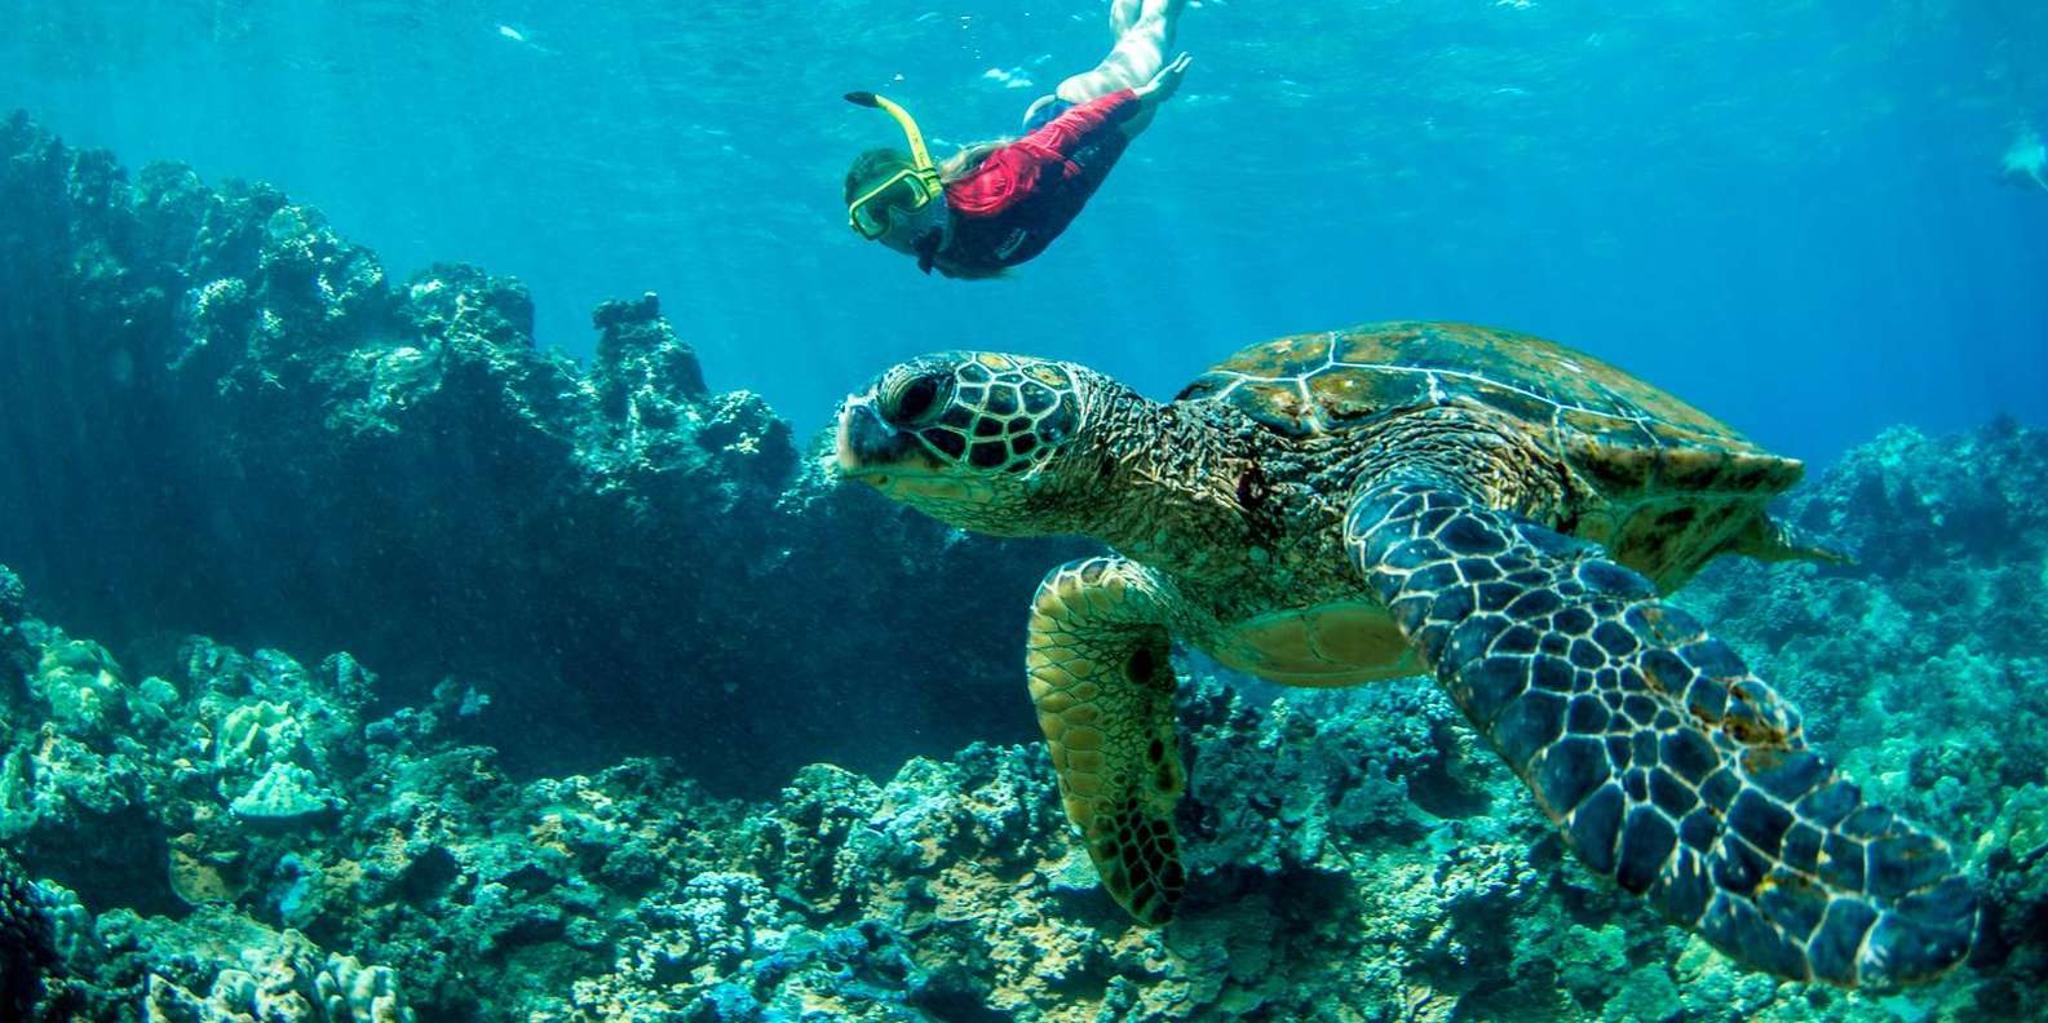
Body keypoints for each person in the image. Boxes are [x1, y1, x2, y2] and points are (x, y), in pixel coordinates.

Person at [843, 0, 1191, 278]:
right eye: (876, 217)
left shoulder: (995, 191)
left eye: (905, 196)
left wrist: (1141, 96)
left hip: (1084, 114)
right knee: (1134, 45)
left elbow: (1066, 132)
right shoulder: (946, 255)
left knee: (1157, 27)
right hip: (1095, 142)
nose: (900, 220)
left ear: (928, 186)